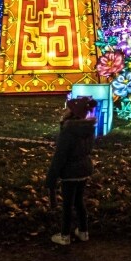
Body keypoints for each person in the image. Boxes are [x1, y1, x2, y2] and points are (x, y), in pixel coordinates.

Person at [46, 96, 97, 246]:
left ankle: (65, 234)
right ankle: (83, 231)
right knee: (79, 201)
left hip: (70, 171)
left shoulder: (68, 131)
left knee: (67, 204)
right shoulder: (89, 129)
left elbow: (60, 156)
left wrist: (51, 177)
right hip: (84, 169)